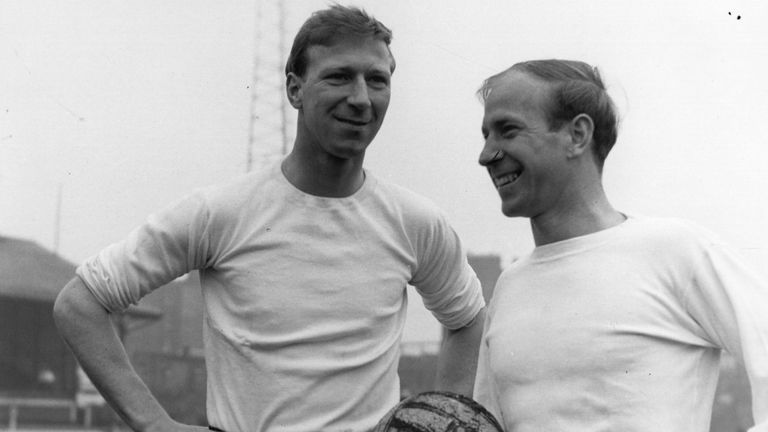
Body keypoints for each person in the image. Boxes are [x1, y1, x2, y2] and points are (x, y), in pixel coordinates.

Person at [53, 6, 486, 432]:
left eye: (377, 80)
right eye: (338, 76)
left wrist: (440, 421)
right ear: (295, 90)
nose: (360, 98)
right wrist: (153, 423)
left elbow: (466, 318)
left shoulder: (416, 221)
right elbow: (80, 304)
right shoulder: (220, 212)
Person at [472, 59, 768, 431]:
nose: (487, 155)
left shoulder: (675, 251)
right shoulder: (508, 287)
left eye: (508, 131)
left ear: (577, 135)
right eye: (486, 135)